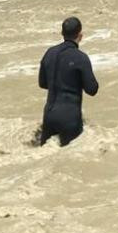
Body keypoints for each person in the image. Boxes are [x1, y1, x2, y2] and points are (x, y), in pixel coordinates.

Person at [38, 17, 99, 146]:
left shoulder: (49, 53)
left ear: (62, 33)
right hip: (69, 117)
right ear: (80, 35)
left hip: (48, 115)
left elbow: (42, 83)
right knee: (73, 155)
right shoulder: (81, 58)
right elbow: (92, 89)